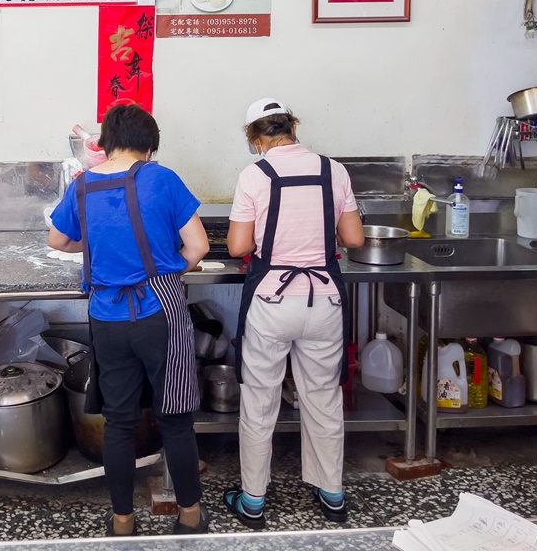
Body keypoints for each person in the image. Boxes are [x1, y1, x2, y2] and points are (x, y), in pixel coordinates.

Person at [48, 104, 211, 536]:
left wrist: (99, 248)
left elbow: (58, 239)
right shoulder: (162, 178)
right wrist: (169, 264)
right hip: (160, 311)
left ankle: (122, 521)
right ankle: (190, 516)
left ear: (106, 141)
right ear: (149, 145)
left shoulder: (82, 186)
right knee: (174, 418)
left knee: (119, 422)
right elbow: (197, 248)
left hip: (106, 314)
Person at [223, 98, 365, 528]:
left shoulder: (255, 175)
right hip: (323, 300)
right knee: (322, 397)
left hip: (271, 302)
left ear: (255, 137)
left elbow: (237, 248)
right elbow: (354, 238)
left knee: (260, 400)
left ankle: (253, 501)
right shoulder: (332, 169)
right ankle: (333, 495)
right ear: (292, 127)